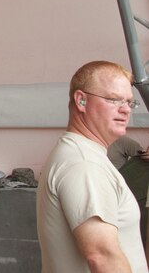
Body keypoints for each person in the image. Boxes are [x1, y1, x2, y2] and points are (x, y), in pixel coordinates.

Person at [37, 60, 148, 273]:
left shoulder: (84, 155)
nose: (125, 110)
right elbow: (102, 256)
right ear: (81, 101)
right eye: (114, 100)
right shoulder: (84, 164)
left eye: (130, 103)